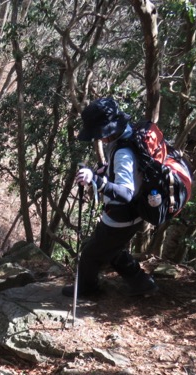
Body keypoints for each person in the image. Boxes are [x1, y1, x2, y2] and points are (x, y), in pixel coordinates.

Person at [63, 97, 158, 298]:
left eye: (99, 134)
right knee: (111, 248)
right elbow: (134, 172)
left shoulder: (123, 152)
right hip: (134, 214)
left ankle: (87, 290)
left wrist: (97, 181)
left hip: (122, 216)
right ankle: (142, 283)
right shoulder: (129, 136)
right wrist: (107, 171)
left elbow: (125, 192)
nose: (99, 138)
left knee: (90, 254)